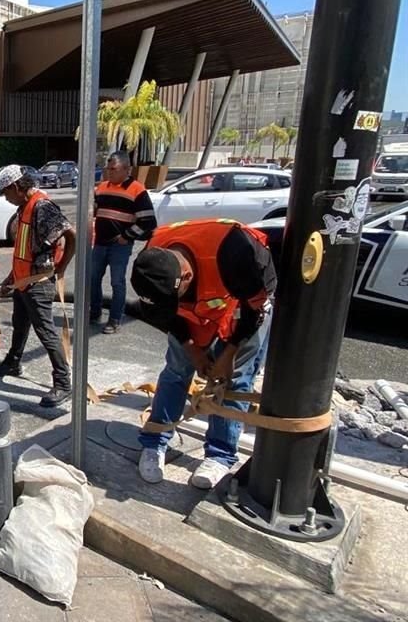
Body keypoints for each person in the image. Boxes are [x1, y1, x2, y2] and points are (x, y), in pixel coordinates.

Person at [131, 218, 277, 489]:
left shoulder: (238, 254)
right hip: (192, 315)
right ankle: (156, 439)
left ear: (186, 277)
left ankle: (221, 455)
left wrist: (228, 355)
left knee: (234, 381)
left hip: (240, 314)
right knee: (176, 371)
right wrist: (193, 350)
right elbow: (167, 317)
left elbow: (256, 311)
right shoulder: (153, 257)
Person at [0, 165, 76, 407]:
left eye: (6, 193)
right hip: (23, 280)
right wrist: (11, 276)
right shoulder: (24, 208)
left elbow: (72, 235)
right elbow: (24, 250)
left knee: (46, 332)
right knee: (19, 324)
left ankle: (63, 383)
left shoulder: (42, 207)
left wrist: (62, 267)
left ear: (17, 187)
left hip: (37, 282)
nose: (5, 198)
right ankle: (13, 362)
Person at [91, 151, 157, 334]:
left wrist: (126, 236)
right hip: (100, 243)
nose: (109, 172)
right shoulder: (102, 187)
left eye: (113, 169)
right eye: (107, 169)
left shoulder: (137, 190)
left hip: (119, 245)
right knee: (93, 279)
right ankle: (94, 313)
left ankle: (114, 320)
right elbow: (94, 211)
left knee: (117, 282)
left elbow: (148, 221)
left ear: (126, 169)